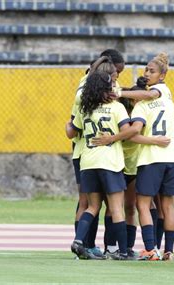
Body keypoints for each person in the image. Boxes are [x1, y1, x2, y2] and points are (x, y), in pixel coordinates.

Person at [98, 53, 174, 261]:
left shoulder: (143, 104)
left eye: (151, 71)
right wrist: (170, 134)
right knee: (168, 205)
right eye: (146, 70)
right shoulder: (169, 101)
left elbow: (134, 131)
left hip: (151, 159)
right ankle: (169, 251)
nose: (147, 73)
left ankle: (150, 249)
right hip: (173, 157)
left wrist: (119, 94)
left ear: (162, 76)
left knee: (143, 205)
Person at [67, 70, 139, 260]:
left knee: (92, 207)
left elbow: (73, 130)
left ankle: (78, 241)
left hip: (88, 161)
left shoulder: (85, 109)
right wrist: (112, 138)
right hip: (110, 162)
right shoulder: (116, 108)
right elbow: (128, 131)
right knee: (116, 208)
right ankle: (123, 252)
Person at [69, 55, 119, 259]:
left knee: (91, 203)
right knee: (91, 203)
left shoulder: (88, 90)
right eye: (115, 77)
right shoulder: (88, 94)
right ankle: (88, 246)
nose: (116, 82)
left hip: (87, 154)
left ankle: (86, 245)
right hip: (90, 153)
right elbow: (72, 127)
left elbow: (71, 127)